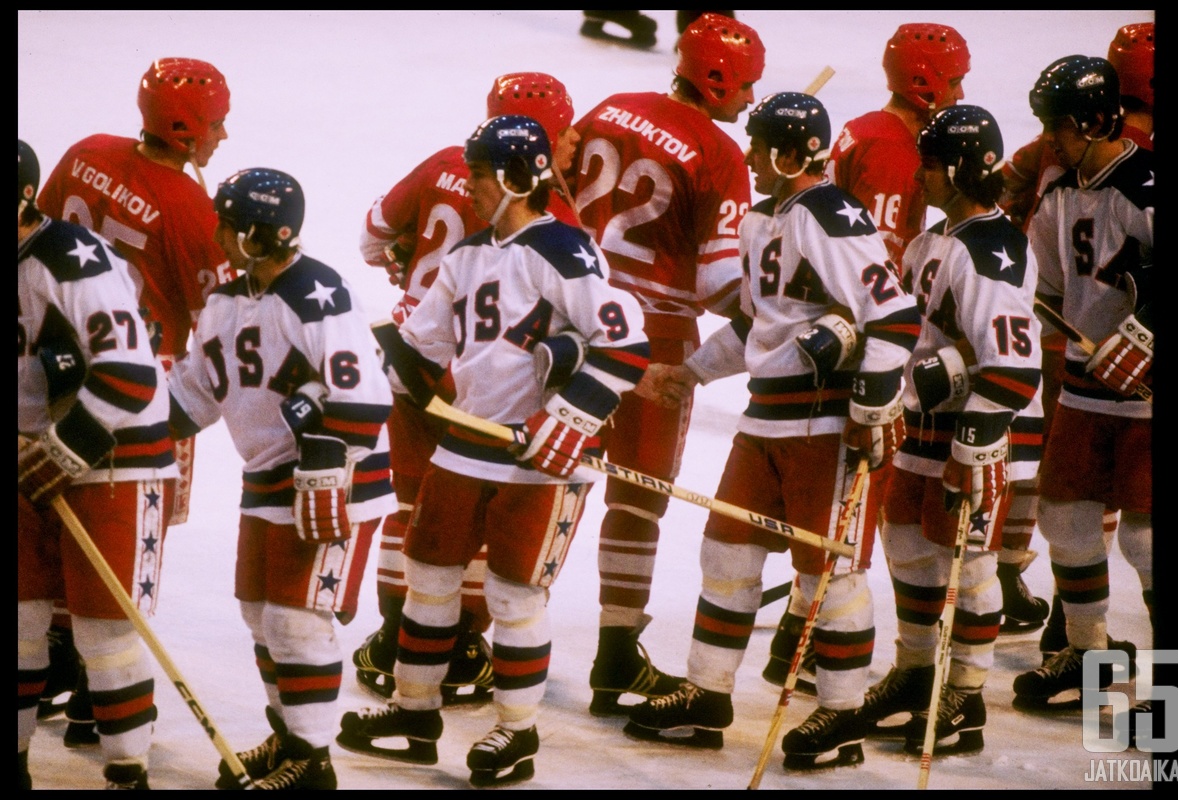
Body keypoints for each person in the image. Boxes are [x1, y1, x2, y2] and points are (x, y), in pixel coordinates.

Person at [337, 115, 649, 787]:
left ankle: (516, 731)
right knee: (430, 581)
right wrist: (347, 361)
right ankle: (414, 713)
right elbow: (417, 352)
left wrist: (570, 417)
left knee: (513, 593)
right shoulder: (468, 257)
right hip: (467, 442)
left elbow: (625, 344)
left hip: (537, 459)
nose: (469, 187)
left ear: (513, 180)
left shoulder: (566, 251)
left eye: (478, 176)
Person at [624, 93, 918, 770]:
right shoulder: (764, 219)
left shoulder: (832, 215)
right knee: (726, 554)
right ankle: (707, 694)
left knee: (829, 574)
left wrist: (874, 400)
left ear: (789, 154)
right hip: (767, 418)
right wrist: (692, 371)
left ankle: (842, 713)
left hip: (822, 423)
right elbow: (760, 325)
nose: (749, 156)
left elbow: (894, 316)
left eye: (759, 146)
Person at [763, 22, 985, 686]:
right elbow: (882, 267)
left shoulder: (861, 127)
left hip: (835, 336)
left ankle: (793, 641)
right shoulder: (894, 152)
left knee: (835, 510)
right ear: (926, 83)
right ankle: (818, 656)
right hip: (870, 351)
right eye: (956, 79)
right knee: (851, 507)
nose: (964, 89)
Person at [350, 72, 580, 705]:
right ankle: (467, 643)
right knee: (476, 508)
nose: (571, 145)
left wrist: (403, 257)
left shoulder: (439, 166)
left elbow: (373, 238)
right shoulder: (548, 217)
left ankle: (399, 630)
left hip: (413, 352)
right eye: (562, 134)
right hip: (481, 366)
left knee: (414, 503)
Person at [167, 168, 396, 789]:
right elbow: (193, 397)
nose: (216, 231)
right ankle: (293, 731)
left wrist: (327, 475)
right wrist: (118, 425)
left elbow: (366, 399)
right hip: (266, 474)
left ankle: (313, 760)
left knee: (298, 620)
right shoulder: (223, 301)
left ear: (260, 235)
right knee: (258, 614)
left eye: (227, 223)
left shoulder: (318, 292)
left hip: (339, 476)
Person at [569, 10, 764, 716]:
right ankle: (616, 654)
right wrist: (774, 284)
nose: (749, 103)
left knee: (547, 478)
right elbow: (717, 283)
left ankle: (479, 632)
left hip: (574, 321)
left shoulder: (607, 108)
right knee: (636, 501)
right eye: (746, 88)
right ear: (718, 79)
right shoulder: (719, 153)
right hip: (655, 339)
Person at [34, 58, 233, 739]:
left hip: (52, 371)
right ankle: (102, 678)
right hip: (145, 383)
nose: (224, 135)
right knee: (130, 533)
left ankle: (62, 650)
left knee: (59, 511)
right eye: (216, 123)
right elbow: (224, 315)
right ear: (184, 131)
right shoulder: (188, 208)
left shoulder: (85, 153)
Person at [856, 107, 1044, 756]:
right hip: (921, 426)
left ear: (966, 169)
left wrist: (973, 445)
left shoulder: (991, 249)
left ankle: (964, 693)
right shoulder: (929, 241)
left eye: (932, 164)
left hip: (974, 433)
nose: (920, 175)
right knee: (906, 542)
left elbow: (1015, 368)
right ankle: (914, 675)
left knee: (972, 567)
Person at [19, 138, 178, 790]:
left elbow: (131, 374)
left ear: (25, 196)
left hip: (115, 456)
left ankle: (128, 775)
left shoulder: (71, 262)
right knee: (20, 622)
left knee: (102, 635)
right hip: (34, 454)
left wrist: (64, 446)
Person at [1000, 22, 1154, 656]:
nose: (1049, 139)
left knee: (1146, 540)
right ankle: (1087, 661)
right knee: (1064, 520)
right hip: (1086, 392)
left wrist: (1145, 333)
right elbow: (1047, 289)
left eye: (1057, 125)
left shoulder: (1145, 188)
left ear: (1092, 122)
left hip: (1146, 395)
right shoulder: (1061, 191)